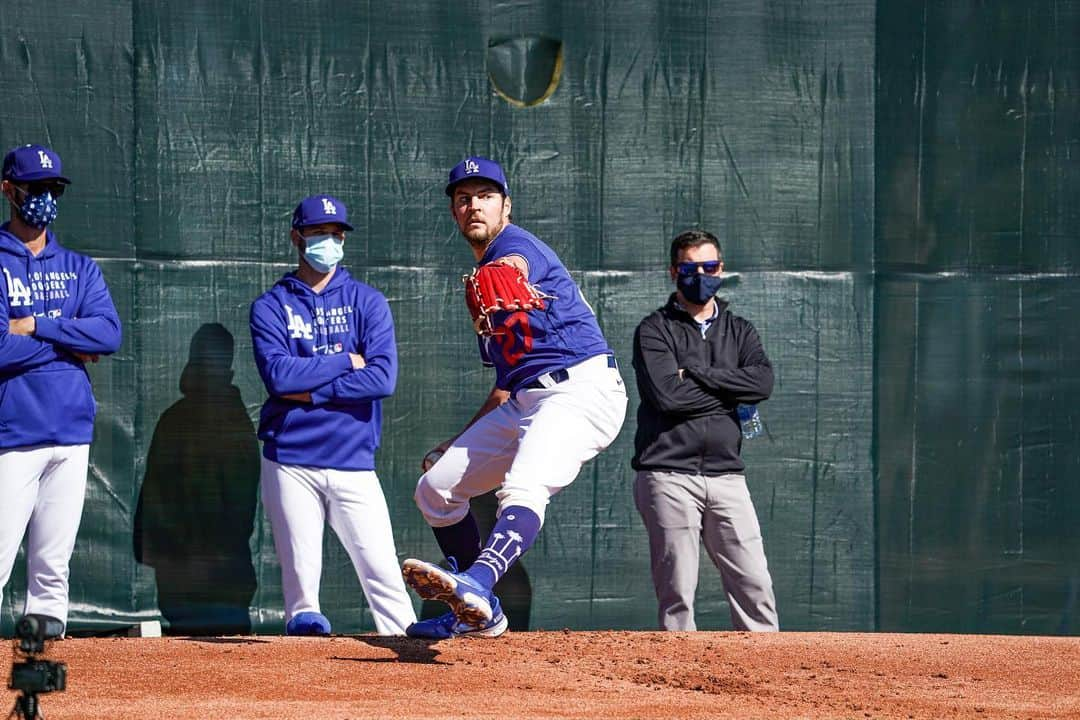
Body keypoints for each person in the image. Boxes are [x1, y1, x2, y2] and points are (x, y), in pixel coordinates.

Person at [402, 157, 627, 639]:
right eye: (463, 199)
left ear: (506, 205)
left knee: (523, 486)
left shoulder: (514, 248)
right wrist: (455, 442)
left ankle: (478, 583)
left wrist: (503, 269)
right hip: (527, 398)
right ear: (454, 214)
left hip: (581, 388)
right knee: (437, 489)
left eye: (485, 196)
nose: (473, 205)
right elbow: (506, 384)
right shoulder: (483, 278)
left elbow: (516, 265)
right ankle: (479, 610)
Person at [250, 194, 416, 636]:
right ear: (296, 238)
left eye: (337, 234)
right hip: (290, 457)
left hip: (353, 456)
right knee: (302, 594)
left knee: (385, 577)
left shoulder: (368, 301)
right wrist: (346, 360)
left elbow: (382, 379)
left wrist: (311, 393)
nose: (329, 241)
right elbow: (280, 377)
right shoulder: (270, 305)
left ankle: (407, 664)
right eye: (319, 233)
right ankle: (306, 688)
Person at [0, 143, 122, 636]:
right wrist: (70, 340)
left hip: (70, 431)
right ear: (9, 189)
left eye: (54, 188)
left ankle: (46, 638)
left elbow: (108, 334)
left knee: (53, 566)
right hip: (10, 433)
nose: (45, 196)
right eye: (35, 187)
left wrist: (37, 326)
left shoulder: (79, 266)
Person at [631, 229, 778, 632]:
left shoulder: (740, 330)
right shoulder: (654, 329)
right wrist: (730, 390)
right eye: (689, 268)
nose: (701, 275)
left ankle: (772, 684)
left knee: (755, 585)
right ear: (673, 271)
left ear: (722, 269)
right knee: (678, 593)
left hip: (727, 476)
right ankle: (681, 691)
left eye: (709, 267)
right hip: (667, 475)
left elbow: (762, 383)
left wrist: (694, 373)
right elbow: (668, 397)